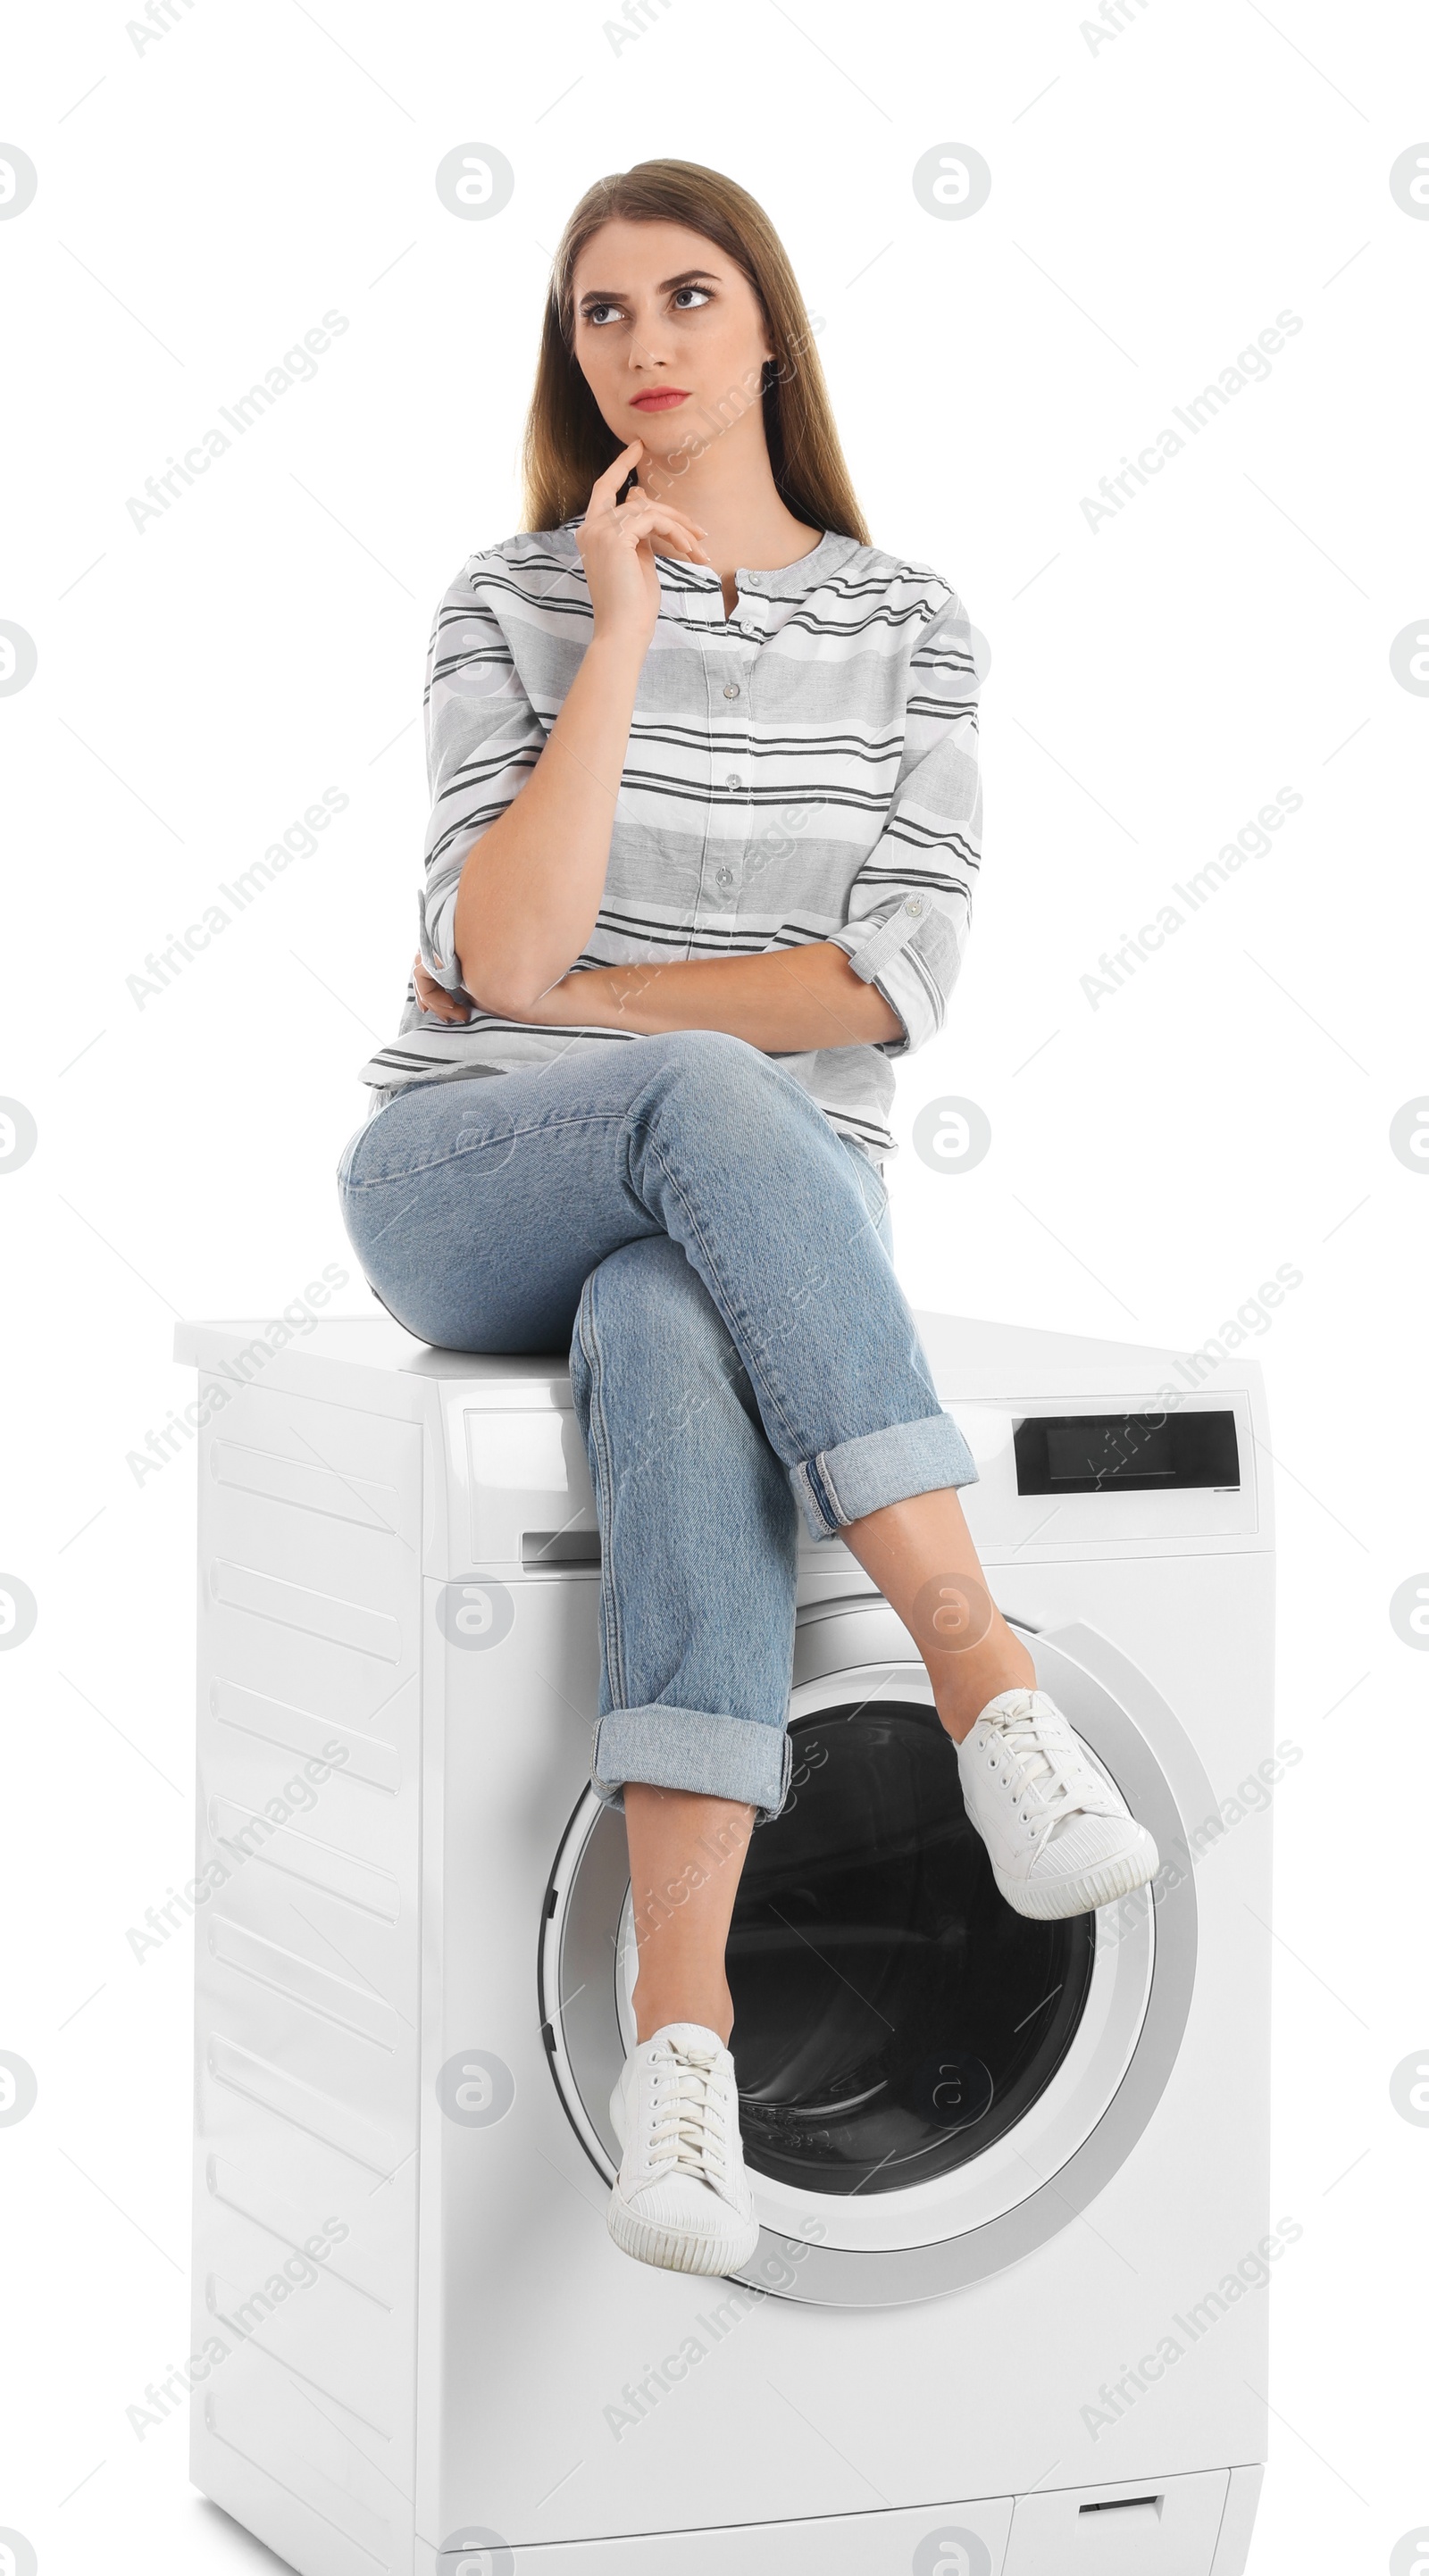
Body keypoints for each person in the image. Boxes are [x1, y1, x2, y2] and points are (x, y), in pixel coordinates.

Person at [337, 158, 1158, 2281]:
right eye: (599, 316)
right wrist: (618, 631)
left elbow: (888, 986)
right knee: (700, 1109)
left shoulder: (909, 629)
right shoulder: (507, 602)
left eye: (685, 298)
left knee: (670, 1319)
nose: (644, 346)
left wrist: (587, 1002)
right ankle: (984, 1686)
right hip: (466, 1181)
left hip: (752, 1222)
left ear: (768, 329)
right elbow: (495, 952)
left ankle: (680, 2052)